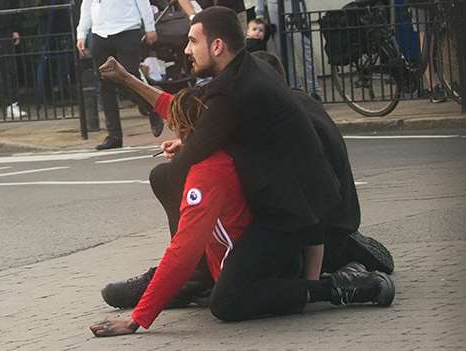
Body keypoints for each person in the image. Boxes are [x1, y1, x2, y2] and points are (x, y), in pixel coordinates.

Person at [89, 7, 395, 336]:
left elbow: (191, 147)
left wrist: (137, 319)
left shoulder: (229, 99)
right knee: (231, 283)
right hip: (310, 214)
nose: (187, 50)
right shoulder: (248, 73)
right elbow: (192, 112)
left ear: (218, 46)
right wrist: (130, 81)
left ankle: (339, 287)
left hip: (285, 222)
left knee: (228, 301)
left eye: (193, 41)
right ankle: (301, 276)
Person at [76, 0, 164, 150]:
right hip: (100, 32)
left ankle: (151, 109)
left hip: (128, 28)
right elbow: (86, 6)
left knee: (130, 77)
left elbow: (142, 2)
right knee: (105, 84)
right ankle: (114, 135)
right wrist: (81, 34)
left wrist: (150, 27)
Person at [0, 0, 27, 121]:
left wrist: (14, 28)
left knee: (8, 69)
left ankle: (12, 104)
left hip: (4, 27)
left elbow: (14, 4)